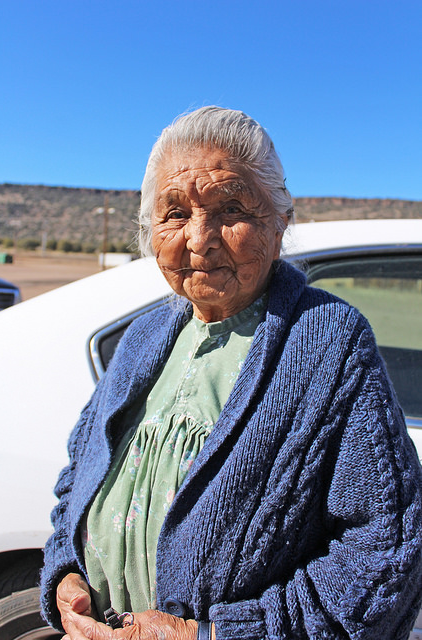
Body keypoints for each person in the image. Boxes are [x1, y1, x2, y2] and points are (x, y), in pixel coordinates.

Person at [40, 106, 422, 640]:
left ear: (279, 219)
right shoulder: (143, 340)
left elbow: (386, 552)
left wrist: (215, 634)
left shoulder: (329, 342)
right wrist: (64, 572)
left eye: (231, 207)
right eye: (175, 214)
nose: (200, 238)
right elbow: (74, 481)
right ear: (152, 233)